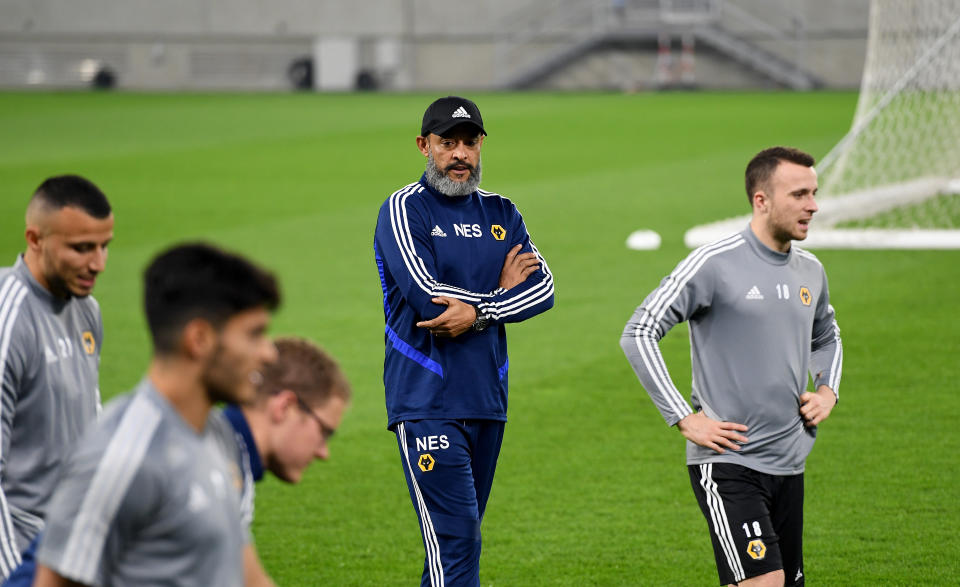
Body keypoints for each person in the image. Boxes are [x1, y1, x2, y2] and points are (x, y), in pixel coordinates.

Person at [620, 146, 843, 587]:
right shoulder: (714, 263)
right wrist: (685, 418)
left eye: (814, 193)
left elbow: (827, 335)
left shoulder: (812, 271)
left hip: (789, 462)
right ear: (761, 201)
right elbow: (639, 331)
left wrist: (827, 391)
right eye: (799, 194)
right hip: (728, 464)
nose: (813, 205)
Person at [373, 95, 555, 586]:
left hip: (486, 400)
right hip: (426, 400)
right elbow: (428, 297)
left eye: (469, 142)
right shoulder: (404, 209)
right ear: (423, 145)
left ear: (481, 145)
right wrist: (499, 291)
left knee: (459, 541)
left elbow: (544, 289)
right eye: (446, 143)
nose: (459, 154)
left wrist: (481, 309)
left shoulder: (503, 211)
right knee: (456, 542)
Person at [33, 243, 280, 586]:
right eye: (254, 334)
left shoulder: (216, 434)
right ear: (200, 339)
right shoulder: (125, 454)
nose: (269, 353)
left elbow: (247, 573)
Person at [0, 175, 114, 580]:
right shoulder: (9, 318)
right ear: (35, 239)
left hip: (69, 544)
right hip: (21, 551)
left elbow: (89, 417)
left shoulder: (86, 309)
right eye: (82, 248)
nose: (97, 264)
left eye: (104, 247)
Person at [222, 336, 351, 586]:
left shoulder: (233, 458)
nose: (323, 453)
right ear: (284, 407)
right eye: (324, 432)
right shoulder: (215, 471)